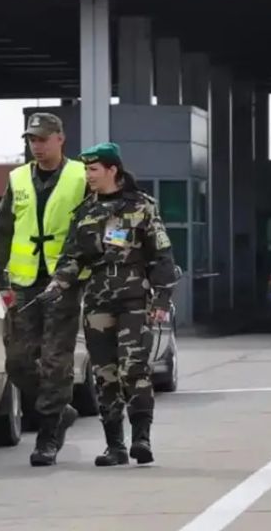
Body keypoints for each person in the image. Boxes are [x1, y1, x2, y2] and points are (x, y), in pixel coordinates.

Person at [42, 142, 179, 466]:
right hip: (98, 301)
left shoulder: (142, 206)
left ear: (112, 170)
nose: (87, 175)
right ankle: (114, 445)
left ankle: (141, 438)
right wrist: (58, 283)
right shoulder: (85, 212)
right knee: (105, 374)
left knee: (134, 368)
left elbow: (162, 255)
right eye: (86, 169)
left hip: (134, 299)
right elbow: (72, 257)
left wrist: (161, 297)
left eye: (93, 169)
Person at [0, 112, 88, 467]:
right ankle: (60, 409)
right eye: (31, 140)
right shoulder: (18, 179)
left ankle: (48, 436)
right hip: (24, 284)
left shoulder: (79, 176)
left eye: (42, 139)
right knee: (18, 363)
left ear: (60, 139)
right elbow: (1, 229)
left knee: (56, 361)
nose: (36, 147)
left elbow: (93, 227)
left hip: (64, 282)